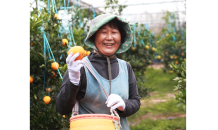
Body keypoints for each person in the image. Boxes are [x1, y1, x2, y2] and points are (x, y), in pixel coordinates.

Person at [55, 13, 141, 130]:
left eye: (114, 32)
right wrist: (73, 81)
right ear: (93, 36)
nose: (109, 37)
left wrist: (124, 105)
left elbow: (135, 101)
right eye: (103, 32)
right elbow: (62, 108)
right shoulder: (80, 67)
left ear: (121, 38)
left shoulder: (125, 67)